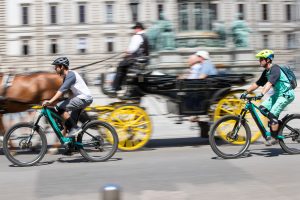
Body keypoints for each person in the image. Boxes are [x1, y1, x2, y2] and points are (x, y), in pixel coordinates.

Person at [240, 49, 295, 145]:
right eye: (260, 59)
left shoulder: (275, 69)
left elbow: (269, 83)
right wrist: (246, 92)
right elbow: (257, 84)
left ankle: (274, 137)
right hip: (278, 95)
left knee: (272, 114)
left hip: (286, 94)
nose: (259, 60)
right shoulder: (266, 72)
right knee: (262, 108)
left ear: (268, 60)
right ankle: (276, 124)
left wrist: (262, 93)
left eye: (261, 59)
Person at [42, 57, 93, 138]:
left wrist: (50, 101)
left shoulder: (71, 75)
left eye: (56, 67)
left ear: (62, 67)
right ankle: (74, 146)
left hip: (83, 98)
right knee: (70, 123)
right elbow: (65, 93)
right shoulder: (67, 77)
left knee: (59, 107)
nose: (55, 68)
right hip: (81, 99)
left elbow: (61, 91)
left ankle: (75, 128)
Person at [109, 22, 149, 94]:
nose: (134, 31)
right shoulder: (145, 36)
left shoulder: (137, 36)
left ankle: (115, 87)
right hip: (143, 61)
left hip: (136, 60)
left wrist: (127, 52)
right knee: (137, 72)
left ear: (138, 28)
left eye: (135, 29)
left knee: (120, 66)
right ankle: (133, 87)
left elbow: (132, 50)